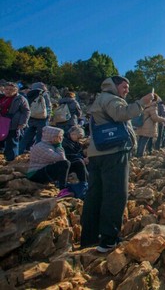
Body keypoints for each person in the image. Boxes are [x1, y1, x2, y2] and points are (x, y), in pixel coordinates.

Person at [80, 76, 153, 252]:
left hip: (98, 152)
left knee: (95, 195)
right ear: (114, 86)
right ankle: (108, 240)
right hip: (113, 153)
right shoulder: (111, 98)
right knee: (115, 195)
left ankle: (89, 238)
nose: (126, 90)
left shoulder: (101, 98)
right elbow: (122, 114)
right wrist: (141, 103)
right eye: (124, 86)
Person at [27, 126, 78, 198]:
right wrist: (59, 145)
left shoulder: (51, 145)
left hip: (44, 170)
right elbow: (62, 159)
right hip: (35, 174)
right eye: (59, 136)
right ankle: (62, 189)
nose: (61, 138)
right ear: (52, 136)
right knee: (65, 163)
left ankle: (82, 186)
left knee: (78, 162)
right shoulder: (42, 146)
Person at [0, 82, 30, 161]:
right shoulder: (2, 98)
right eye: (6, 89)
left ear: (16, 90)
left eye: (11, 89)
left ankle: (11, 162)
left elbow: (26, 111)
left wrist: (22, 123)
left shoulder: (20, 99)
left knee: (12, 143)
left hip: (13, 124)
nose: (8, 91)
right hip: (2, 123)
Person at [19, 82, 52, 154]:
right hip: (42, 119)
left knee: (27, 136)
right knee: (40, 137)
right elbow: (48, 106)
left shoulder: (29, 94)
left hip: (31, 118)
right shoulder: (44, 94)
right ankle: (38, 152)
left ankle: (19, 151)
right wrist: (49, 116)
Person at [61, 125, 89, 199]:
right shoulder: (64, 142)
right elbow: (67, 155)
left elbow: (79, 153)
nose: (80, 139)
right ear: (72, 134)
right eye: (79, 137)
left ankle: (86, 183)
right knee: (80, 162)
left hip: (74, 161)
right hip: (65, 164)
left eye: (81, 137)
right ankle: (85, 185)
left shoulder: (75, 143)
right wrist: (82, 159)